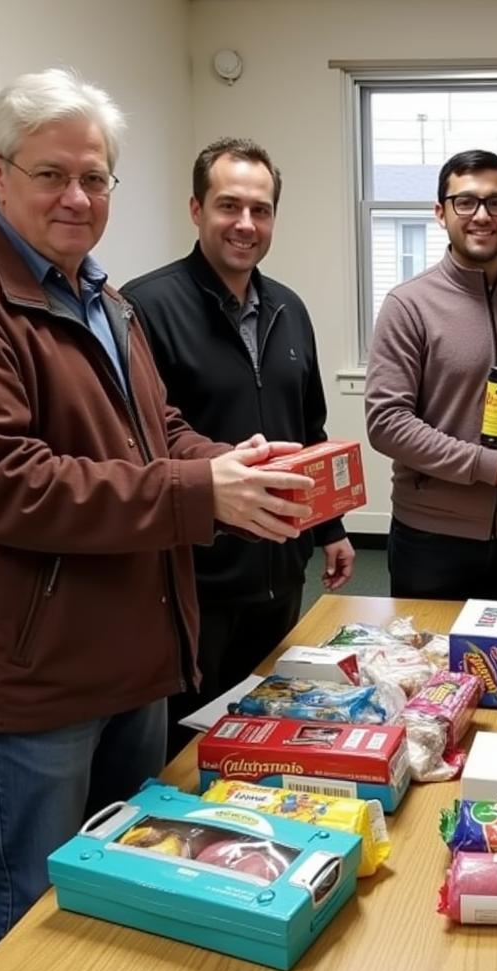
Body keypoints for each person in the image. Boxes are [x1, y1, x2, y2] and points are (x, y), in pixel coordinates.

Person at [0, 69, 316, 957]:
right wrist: (198, 492)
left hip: (138, 647)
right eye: (51, 175)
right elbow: (3, 481)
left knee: (135, 875)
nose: (77, 197)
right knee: (34, 902)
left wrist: (223, 461)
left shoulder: (102, 298)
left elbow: (159, 432)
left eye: (96, 178)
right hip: (38, 671)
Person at [122, 138, 354, 759]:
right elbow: (139, 444)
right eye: (229, 206)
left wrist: (329, 528)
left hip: (281, 567)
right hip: (196, 578)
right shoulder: (143, 308)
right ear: (196, 208)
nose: (246, 224)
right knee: (188, 750)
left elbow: (310, 429)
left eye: (262, 209)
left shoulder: (289, 308)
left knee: (267, 732)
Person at [365, 149, 497, 602]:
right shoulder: (408, 305)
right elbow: (387, 424)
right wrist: (492, 468)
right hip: (431, 536)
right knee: (425, 668)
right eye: (465, 202)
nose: (482, 215)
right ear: (441, 213)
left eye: (496, 203)